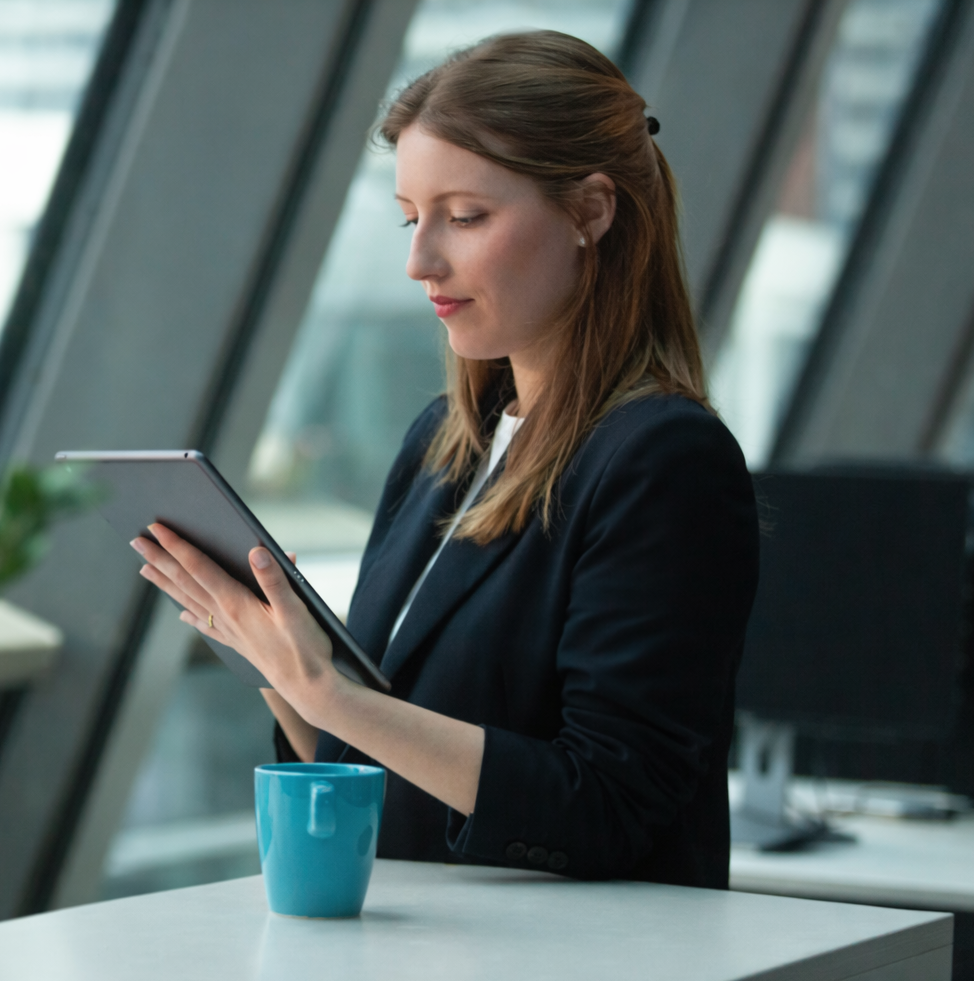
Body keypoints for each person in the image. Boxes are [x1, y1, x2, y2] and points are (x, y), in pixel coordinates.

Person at [131, 30, 758, 890]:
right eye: (410, 218)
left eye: (464, 217)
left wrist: (333, 692)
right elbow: (367, 758)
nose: (420, 261)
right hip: (421, 958)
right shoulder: (443, 446)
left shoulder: (664, 459)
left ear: (592, 211)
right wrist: (274, 661)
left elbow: (609, 807)